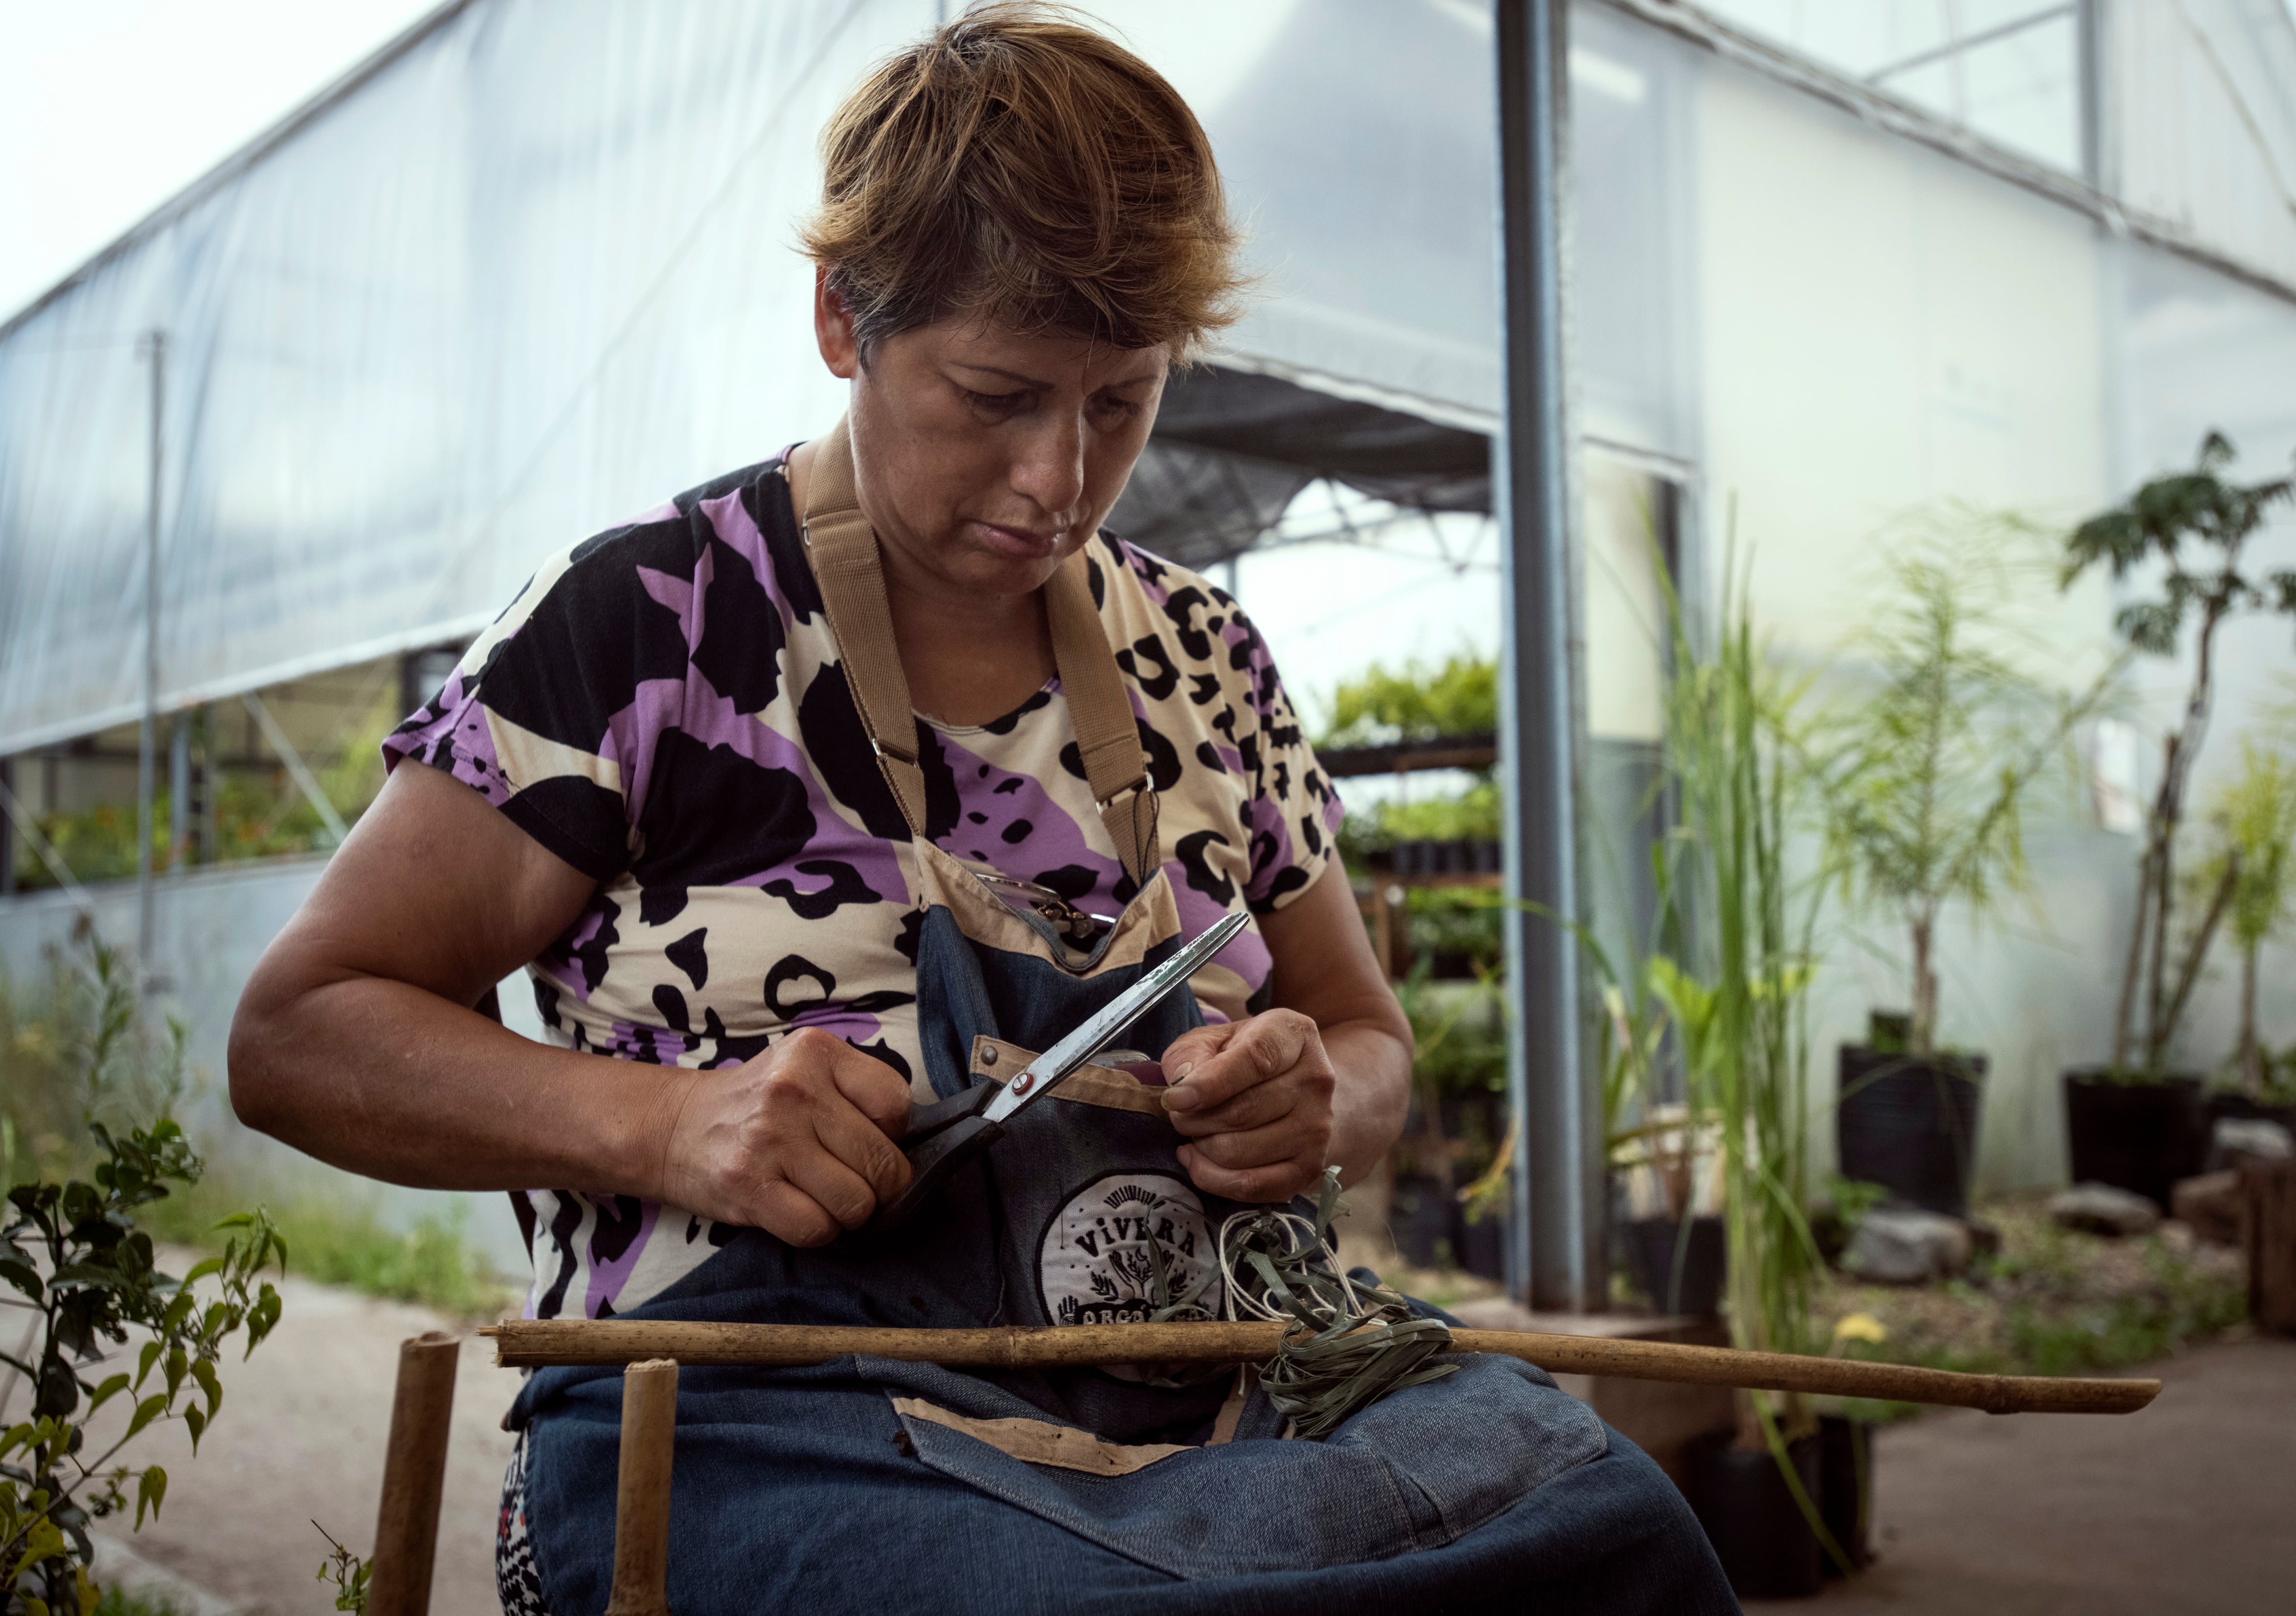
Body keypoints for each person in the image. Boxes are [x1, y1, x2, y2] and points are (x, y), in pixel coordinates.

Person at [229, 7, 1735, 1612]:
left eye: (1120, 404)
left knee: (1621, 1539)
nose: (1058, 481)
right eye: (997, 394)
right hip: (769, 1409)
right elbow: (299, 1033)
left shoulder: (1206, 659)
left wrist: (1318, 1100)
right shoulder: (643, 628)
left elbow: (1364, 1040)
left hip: (1218, 1382)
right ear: (839, 318)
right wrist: (667, 1125)